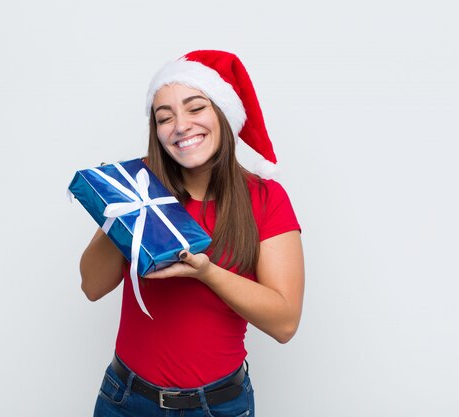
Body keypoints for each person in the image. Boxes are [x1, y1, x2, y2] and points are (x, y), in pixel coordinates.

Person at [80, 50, 304, 416]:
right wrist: (119, 207)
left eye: (196, 108)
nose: (180, 125)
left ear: (222, 114)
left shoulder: (266, 199)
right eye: (164, 117)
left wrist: (208, 273)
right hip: (125, 400)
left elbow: (284, 323)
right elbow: (91, 287)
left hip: (217, 407)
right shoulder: (140, 185)